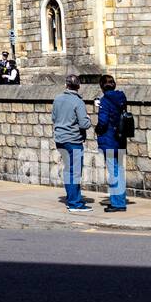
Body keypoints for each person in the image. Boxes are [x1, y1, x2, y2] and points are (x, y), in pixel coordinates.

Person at [52, 74, 91, 214]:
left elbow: (54, 118)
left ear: (66, 85)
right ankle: (75, 203)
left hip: (60, 139)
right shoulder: (78, 101)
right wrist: (89, 119)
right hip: (73, 140)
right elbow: (84, 123)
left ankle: (71, 199)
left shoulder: (57, 99)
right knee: (74, 172)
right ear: (78, 86)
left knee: (68, 170)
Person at [95, 74, 129, 212]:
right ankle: (119, 200)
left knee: (114, 172)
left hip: (109, 140)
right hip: (120, 139)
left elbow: (103, 122)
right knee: (119, 170)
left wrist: (98, 129)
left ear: (102, 86)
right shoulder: (121, 98)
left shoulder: (105, 100)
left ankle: (118, 203)